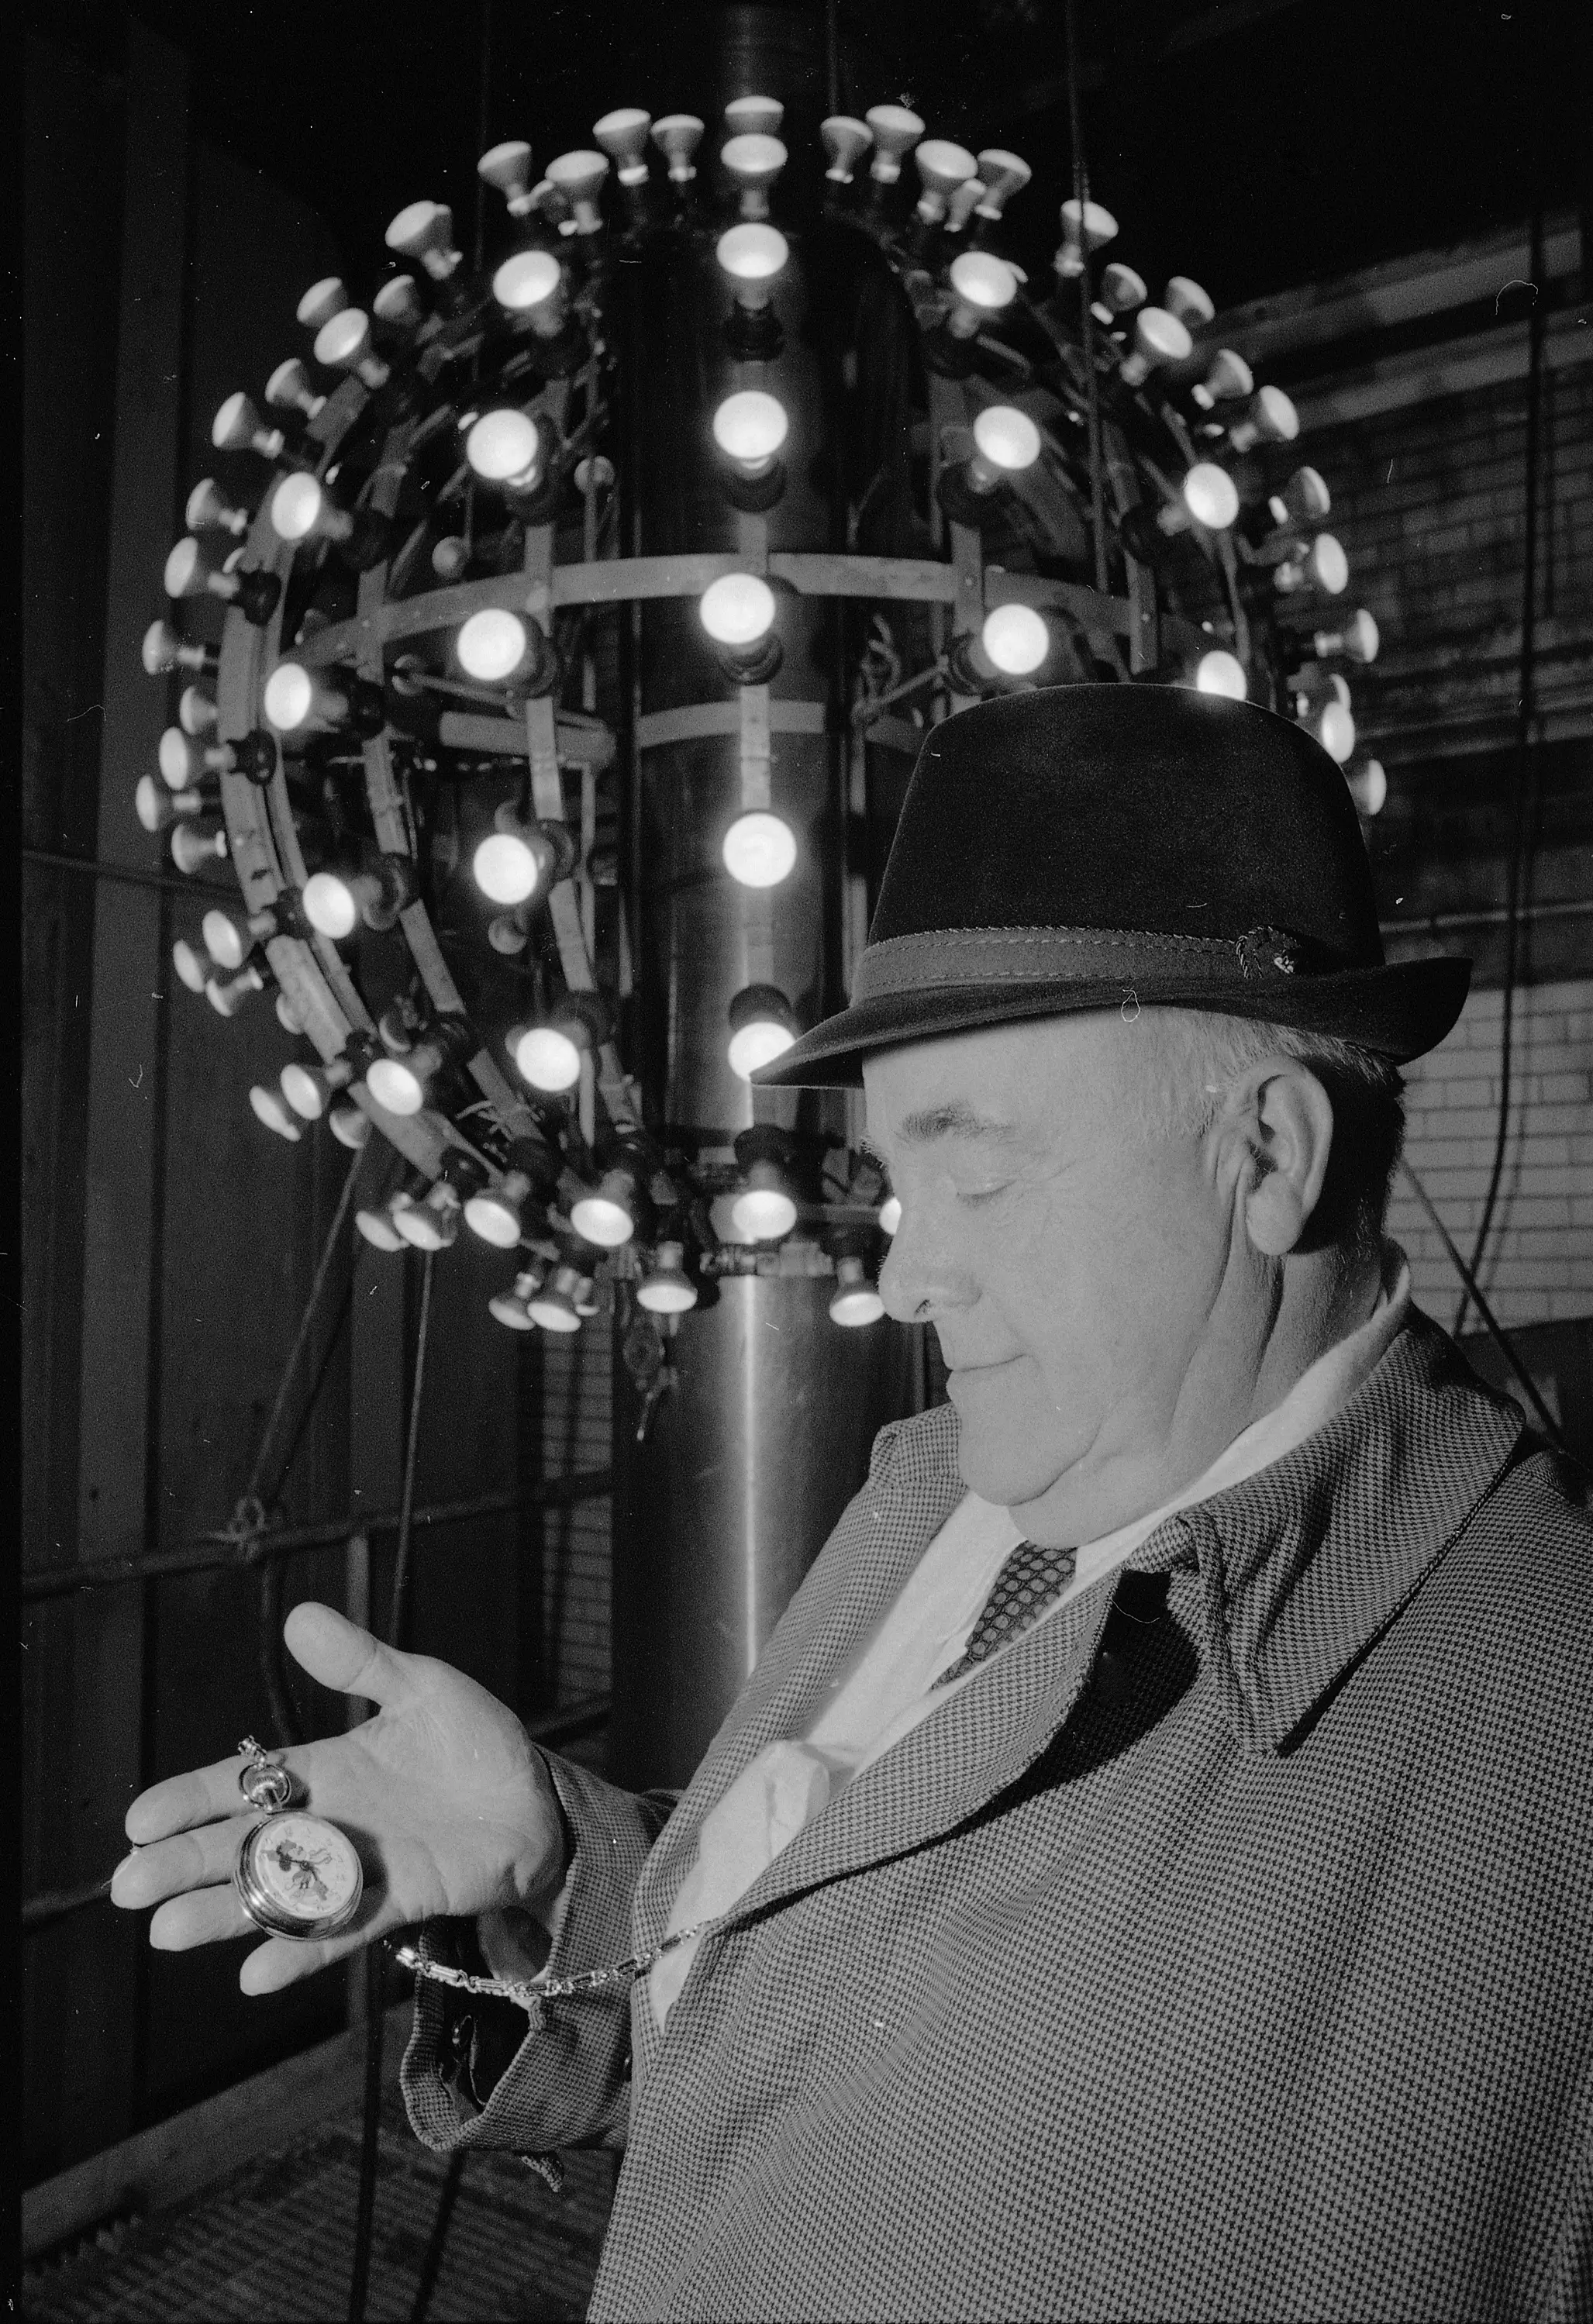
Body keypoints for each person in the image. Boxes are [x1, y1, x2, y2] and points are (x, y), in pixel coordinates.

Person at [113, 688, 1591, 2322]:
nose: (904, 1268)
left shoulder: (1554, 1739)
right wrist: (559, 1861)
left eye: (975, 1170)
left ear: (1266, 1153)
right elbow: (821, 2007)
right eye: (896, 1182)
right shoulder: (946, 1493)